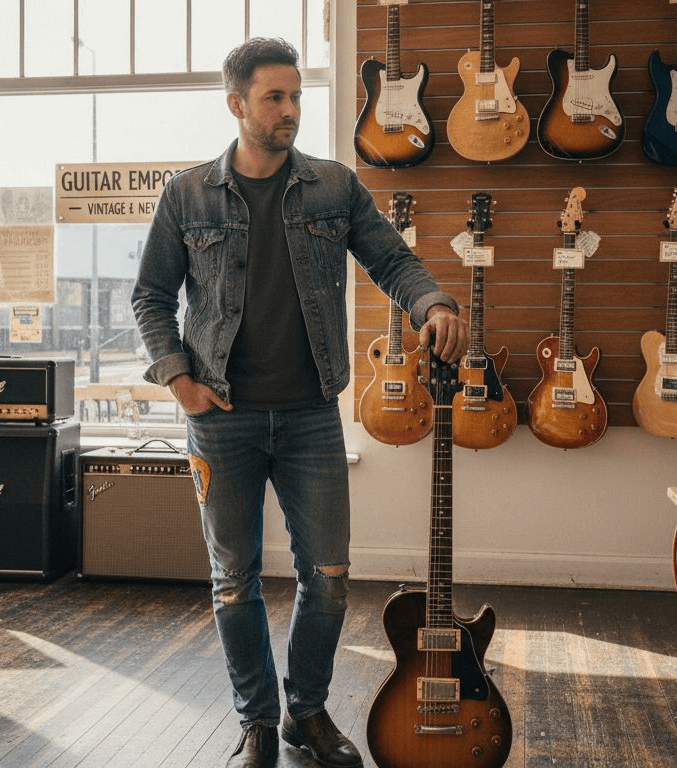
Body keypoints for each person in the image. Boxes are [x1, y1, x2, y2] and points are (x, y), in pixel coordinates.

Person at [130, 37, 468, 768]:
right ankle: (256, 720)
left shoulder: (334, 186)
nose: (289, 111)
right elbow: (151, 296)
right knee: (235, 581)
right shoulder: (185, 194)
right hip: (220, 418)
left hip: (313, 413)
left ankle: (305, 716)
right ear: (237, 104)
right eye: (274, 98)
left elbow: (392, 259)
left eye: (296, 97)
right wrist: (177, 378)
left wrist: (432, 301)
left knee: (331, 578)